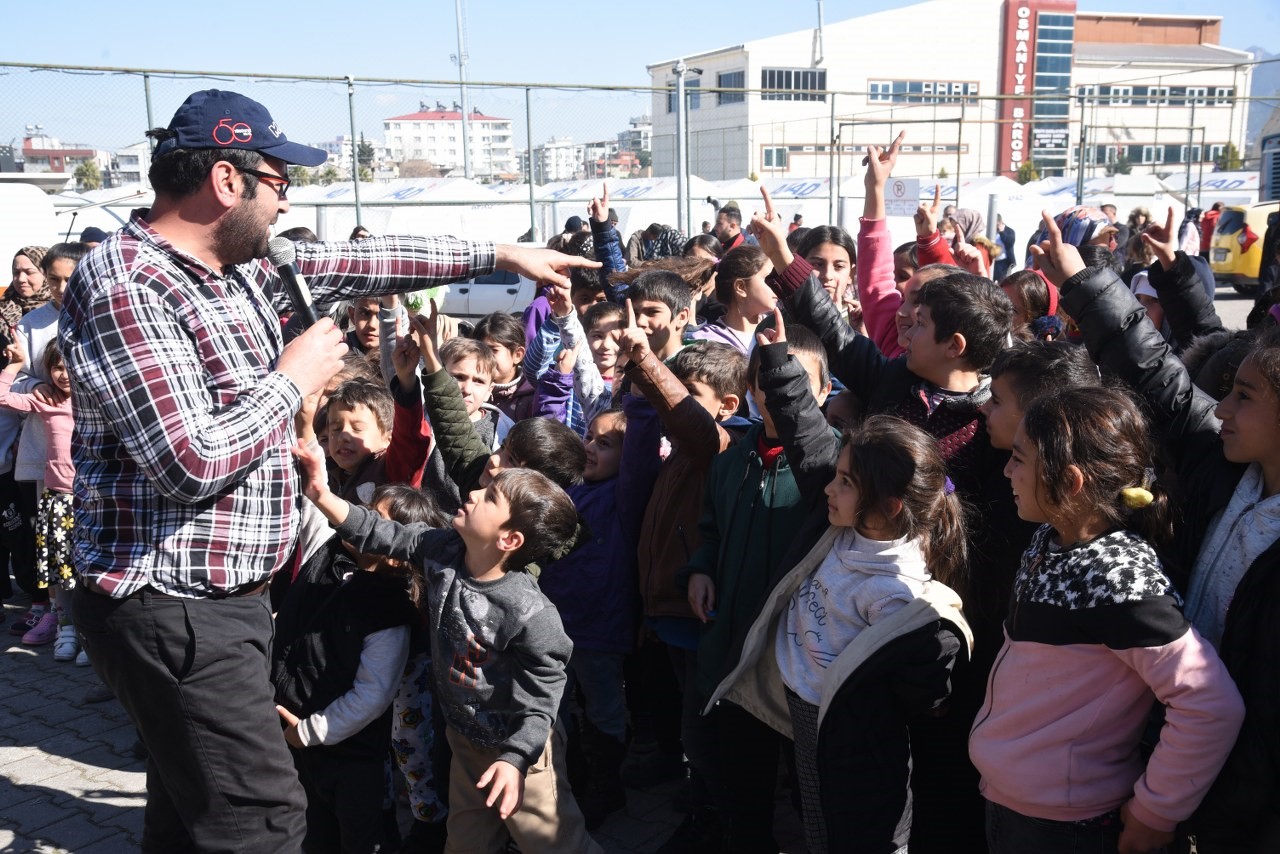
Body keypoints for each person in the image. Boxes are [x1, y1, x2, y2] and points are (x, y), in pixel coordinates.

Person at [62, 88, 595, 850]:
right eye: (281, 183)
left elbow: (364, 257)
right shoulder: (127, 283)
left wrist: (499, 254)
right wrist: (293, 377)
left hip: (225, 603)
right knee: (265, 822)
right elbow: (187, 461)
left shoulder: (242, 264)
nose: (287, 204)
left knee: (190, 816)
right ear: (227, 181)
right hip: (172, 605)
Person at [1036, 207, 1280, 851]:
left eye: (1245, 396)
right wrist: (1086, 282)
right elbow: (1159, 380)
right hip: (1180, 757)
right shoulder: (1227, 471)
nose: (1221, 407)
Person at [971, 386, 1244, 853]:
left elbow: (1209, 704)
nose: (1007, 470)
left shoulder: (1119, 581)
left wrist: (1156, 811)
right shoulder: (1048, 540)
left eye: (1019, 459)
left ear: (1071, 482)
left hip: (1066, 827)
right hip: (1018, 806)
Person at [295, 444, 603, 854]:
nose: (474, 493)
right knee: (465, 842)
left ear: (509, 539)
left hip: (519, 753)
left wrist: (515, 760)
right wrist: (322, 495)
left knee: (553, 843)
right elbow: (381, 532)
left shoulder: (529, 611)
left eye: (491, 496)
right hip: (464, 740)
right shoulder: (443, 550)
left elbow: (545, 693)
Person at [709, 413, 971, 854]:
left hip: (836, 727)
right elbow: (807, 437)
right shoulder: (838, 528)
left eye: (846, 482)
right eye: (836, 476)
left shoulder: (894, 594)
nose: (830, 488)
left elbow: (909, 692)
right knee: (814, 812)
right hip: (799, 700)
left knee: (836, 823)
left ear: (889, 506)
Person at [272, 483, 439, 854]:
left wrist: (310, 732)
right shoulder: (328, 555)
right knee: (312, 835)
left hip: (347, 755)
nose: (357, 520)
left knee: (360, 839)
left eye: (374, 520)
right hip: (295, 741)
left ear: (396, 554)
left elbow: (371, 696)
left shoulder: (388, 614)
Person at [0, 337, 75, 652]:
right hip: (56, 498)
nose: (64, 374)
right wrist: (15, 365)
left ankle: (90, 633)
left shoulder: (97, 400)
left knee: (84, 569)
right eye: (57, 368)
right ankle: (65, 629)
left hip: (90, 500)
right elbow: (3, 397)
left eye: (69, 367)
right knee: (58, 568)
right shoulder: (48, 400)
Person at [994, 214, 1017, 280]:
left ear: (1000, 222)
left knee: (1002, 282)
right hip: (994, 261)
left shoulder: (1009, 231)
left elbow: (1009, 243)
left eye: (997, 224)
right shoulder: (992, 231)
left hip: (1004, 262)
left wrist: (1002, 232)